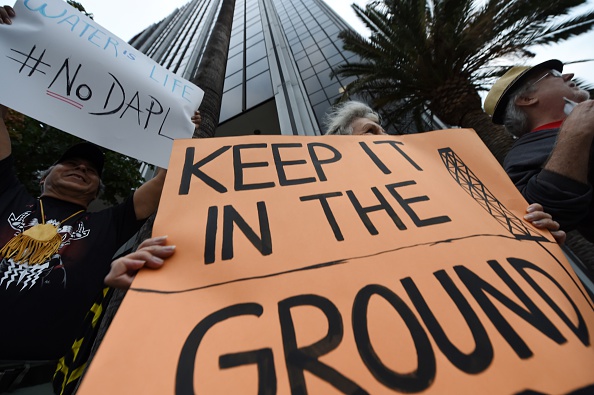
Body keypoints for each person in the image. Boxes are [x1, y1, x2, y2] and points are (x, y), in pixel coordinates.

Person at [324, 101, 566, 244]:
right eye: (370, 132)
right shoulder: (343, 216)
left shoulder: (448, 183)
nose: (385, 137)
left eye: (383, 130)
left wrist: (537, 239)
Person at [484, 59, 594, 243]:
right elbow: (542, 211)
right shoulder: (523, 155)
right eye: (555, 75)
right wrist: (577, 132)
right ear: (526, 99)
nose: (569, 75)